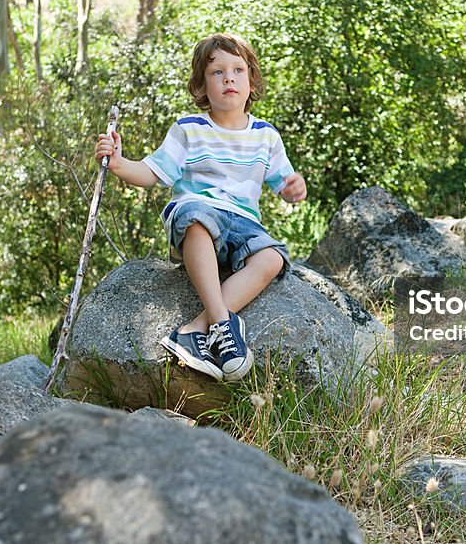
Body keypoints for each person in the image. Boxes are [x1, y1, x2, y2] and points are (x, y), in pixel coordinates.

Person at [94, 33, 307, 382]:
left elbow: (283, 183)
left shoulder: (266, 135)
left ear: (251, 82)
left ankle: (195, 329)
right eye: (217, 72)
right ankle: (223, 324)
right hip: (199, 213)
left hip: (244, 225)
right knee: (196, 219)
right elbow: (152, 172)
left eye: (238, 70)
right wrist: (118, 163)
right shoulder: (189, 130)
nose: (229, 79)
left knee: (272, 258)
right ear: (201, 85)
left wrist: (293, 189)